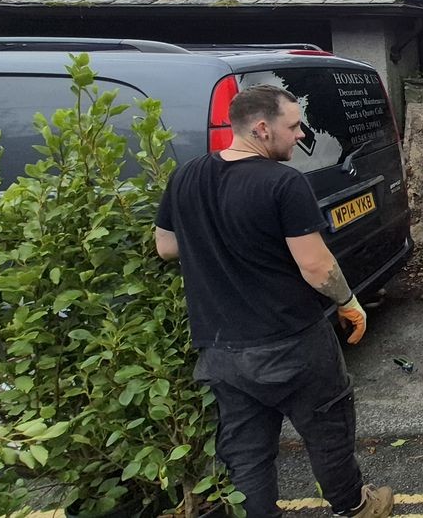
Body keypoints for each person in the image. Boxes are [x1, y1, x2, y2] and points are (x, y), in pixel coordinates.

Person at [155, 84, 393, 518]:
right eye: (294, 126)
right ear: (262, 128)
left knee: (245, 451)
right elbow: (317, 267)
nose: (301, 135)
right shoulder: (282, 183)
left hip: (221, 350)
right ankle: (355, 507)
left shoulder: (186, 176)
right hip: (290, 344)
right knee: (327, 428)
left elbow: (166, 247)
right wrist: (349, 302)